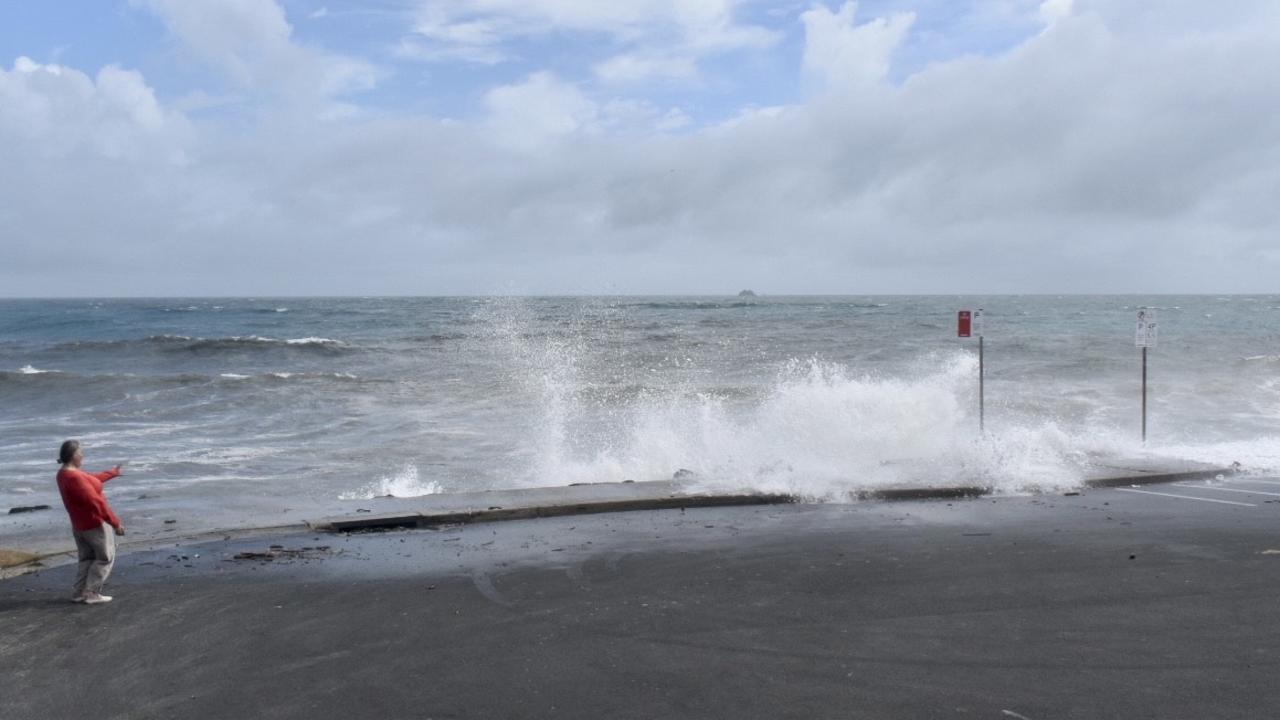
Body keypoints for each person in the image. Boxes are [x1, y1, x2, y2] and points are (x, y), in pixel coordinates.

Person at [55, 439, 125, 605]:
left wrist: (112, 473)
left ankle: (79, 592)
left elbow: (91, 478)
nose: (83, 456)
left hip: (79, 525)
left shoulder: (64, 473)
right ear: (73, 456)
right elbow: (96, 503)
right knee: (104, 558)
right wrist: (115, 523)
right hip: (94, 525)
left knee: (86, 559)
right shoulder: (75, 477)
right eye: (81, 453)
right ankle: (92, 593)